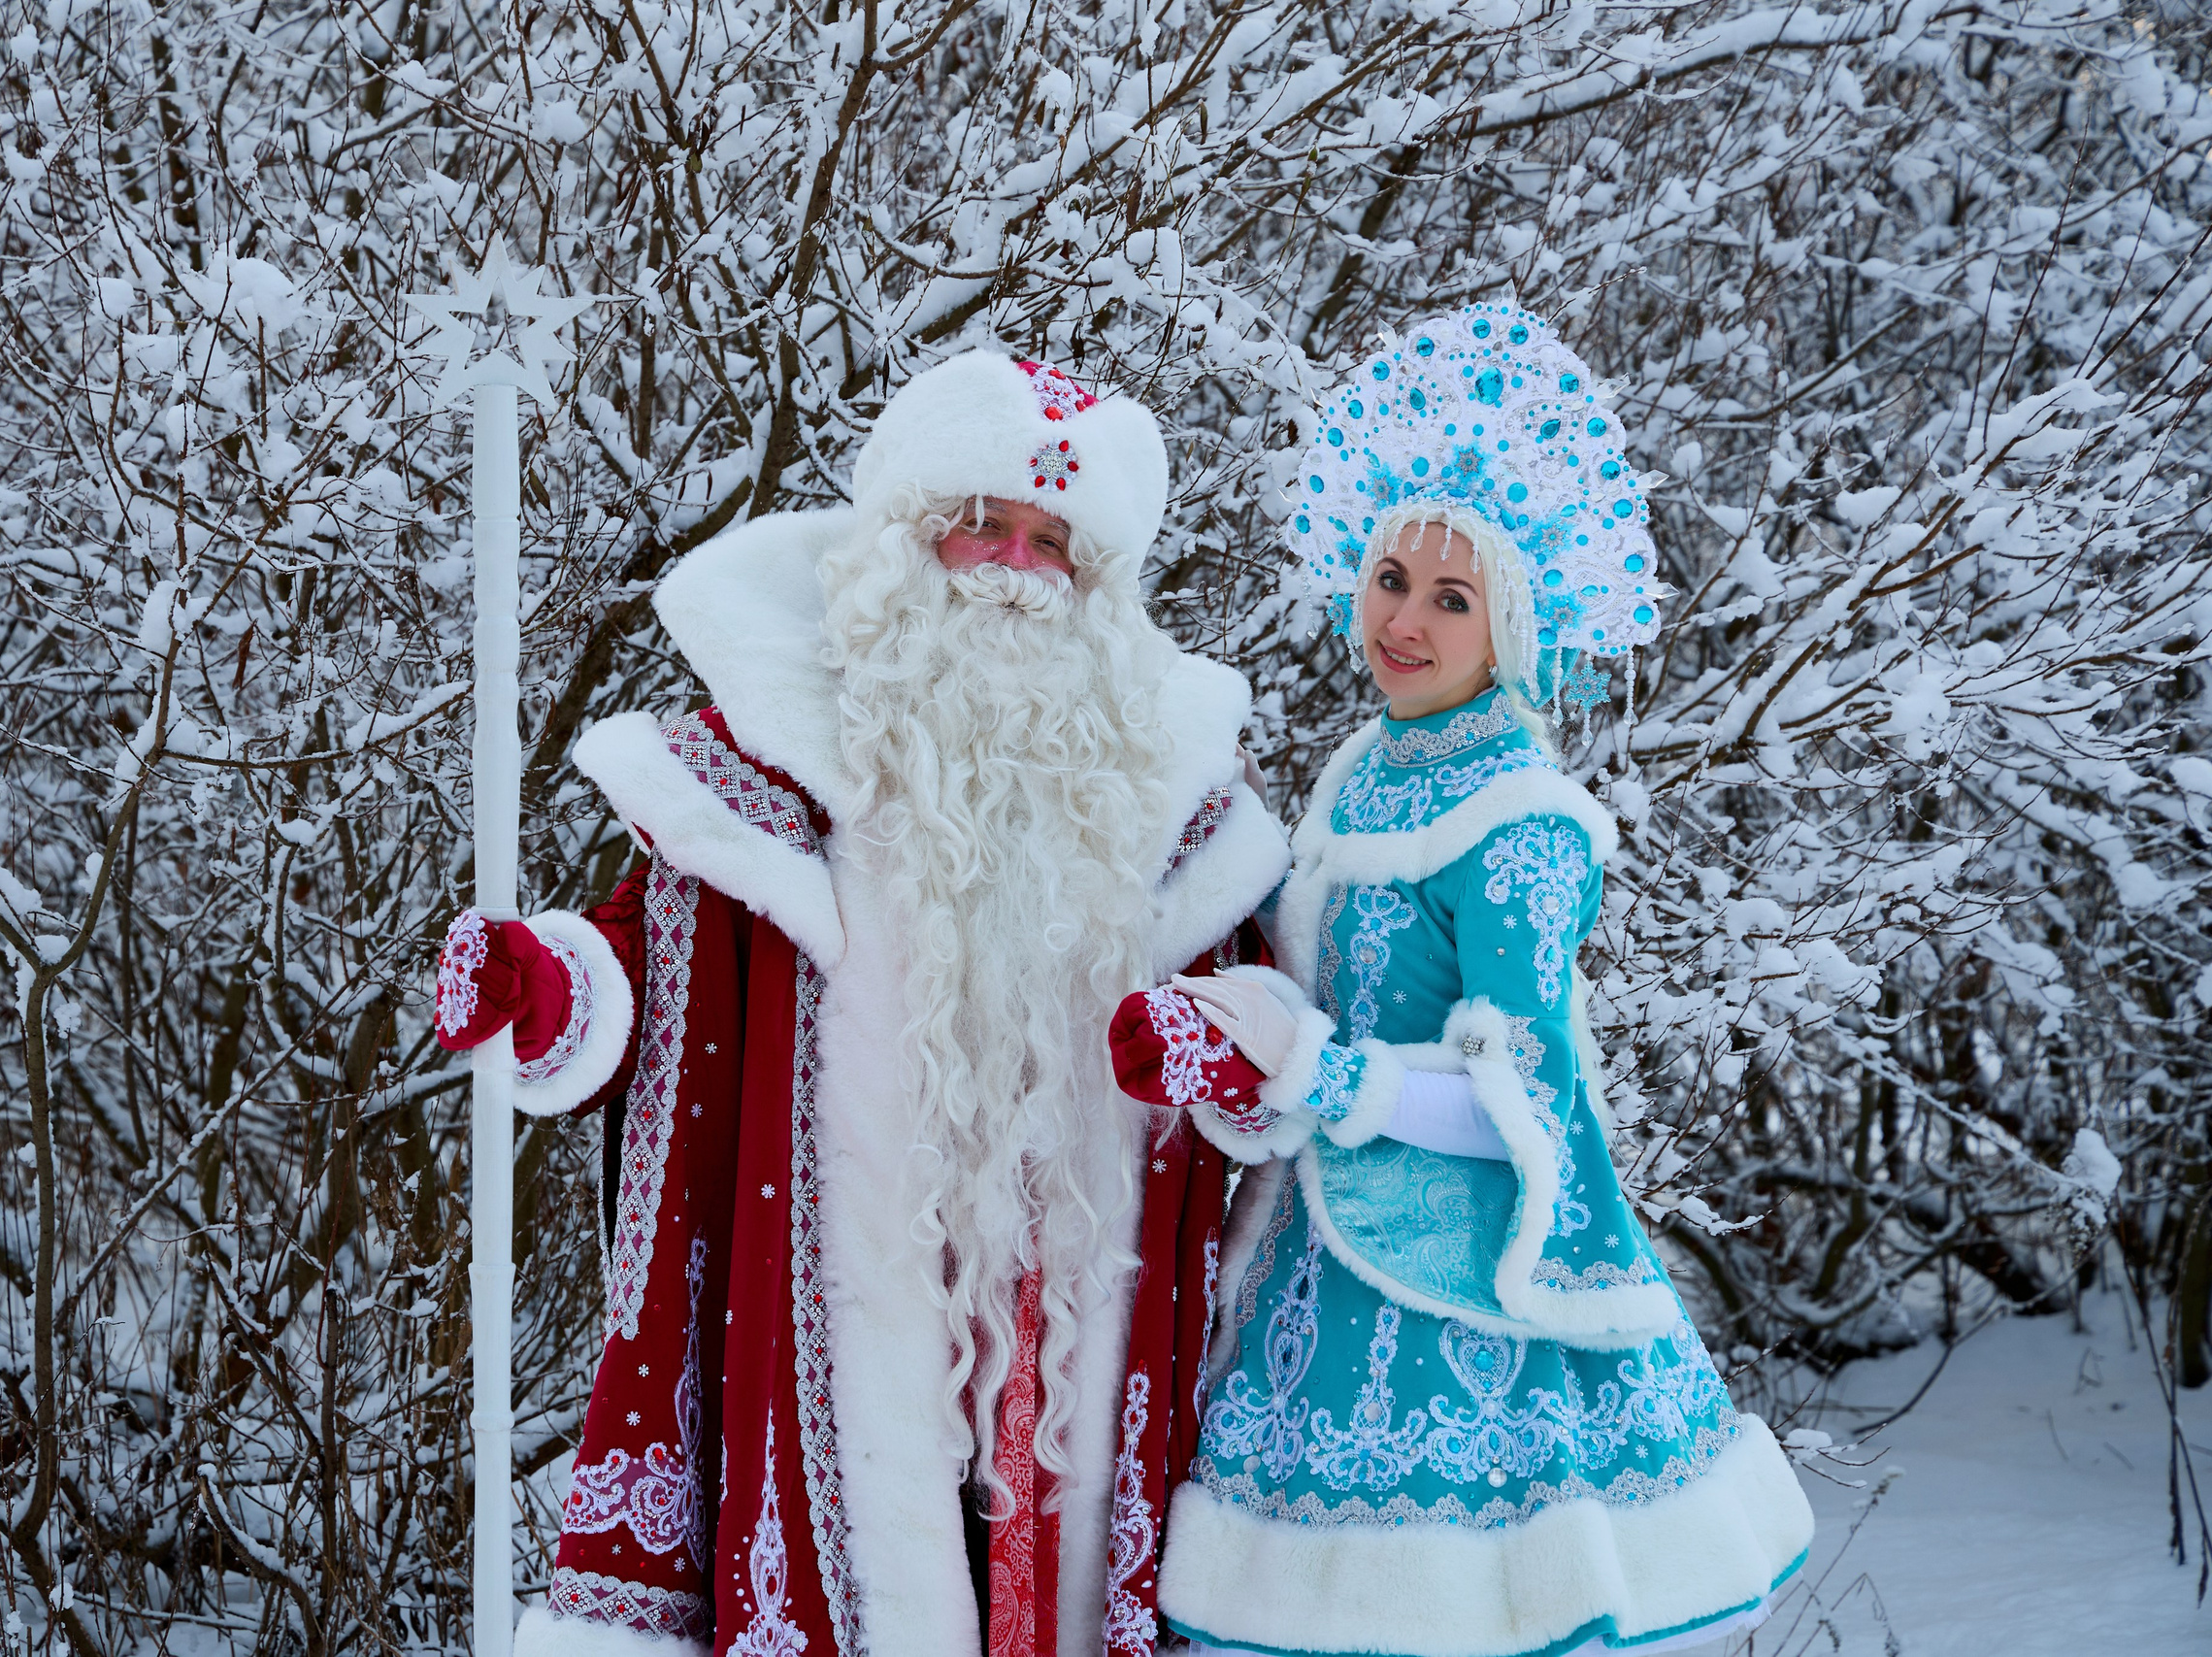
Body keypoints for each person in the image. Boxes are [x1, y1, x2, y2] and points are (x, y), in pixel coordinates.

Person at [432, 351, 1291, 1657]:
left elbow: (1260, 1039)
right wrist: (540, 991)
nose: (1013, 565)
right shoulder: (779, 762)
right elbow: (645, 958)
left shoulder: (1168, 809)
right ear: (909, 540)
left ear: (1098, 587)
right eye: (983, 524)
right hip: (830, 1310)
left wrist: (1235, 1057)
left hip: (1069, 1342)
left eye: (1052, 541)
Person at [1108, 306, 1814, 1657]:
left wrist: (1321, 1070)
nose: (1405, 621)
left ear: (1513, 626)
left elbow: (1526, 1097)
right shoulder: (1357, 772)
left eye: (1451, 598)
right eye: (1388, 580)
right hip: (1326, 1257)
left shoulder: (1522, 819)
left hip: (1476, 1305)